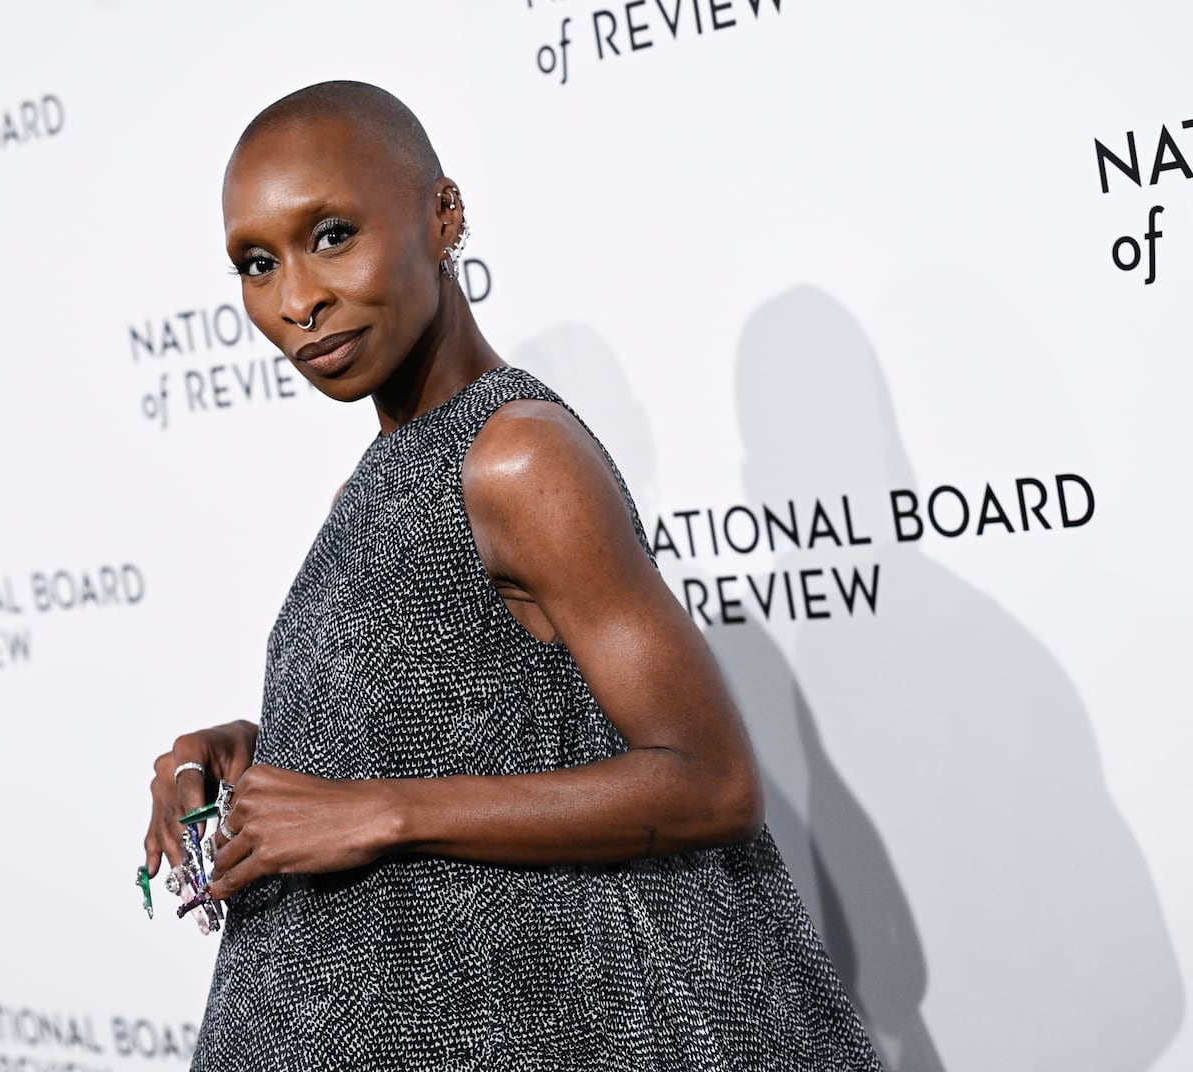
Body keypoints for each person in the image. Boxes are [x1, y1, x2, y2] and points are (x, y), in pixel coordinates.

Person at [142, 80, 882, 1071]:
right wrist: (255, 747)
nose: (294, 299)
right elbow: (473, 713)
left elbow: (710, 782)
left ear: (442, 217)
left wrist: (373, 813)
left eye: (330, 235)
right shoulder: (385, 474)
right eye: (256, 262)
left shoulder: (516, 456)